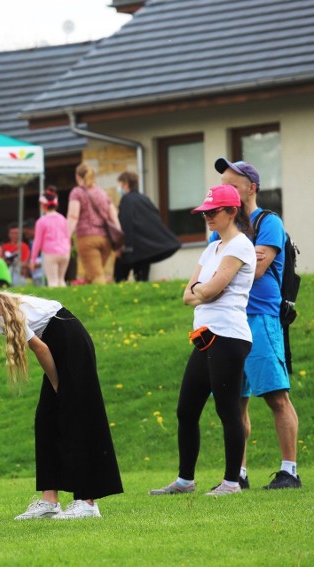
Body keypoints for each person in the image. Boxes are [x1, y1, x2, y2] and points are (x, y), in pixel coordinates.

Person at [0, 265, 122, 520]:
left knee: (76, 418)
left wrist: (58, 385)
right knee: (46, 420)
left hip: (68, 341)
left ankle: (87, 502)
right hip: (58, 343)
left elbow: (40, 348)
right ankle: (49, 501)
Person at [150, 184, 255, 497]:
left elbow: (208, 290)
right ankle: (185, 481)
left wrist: (204, 290)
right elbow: (189, 294)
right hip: (206, 337)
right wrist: (204, 290)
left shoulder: (240, 246)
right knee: (186, 410)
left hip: (229, 336)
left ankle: (232, 483)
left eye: (213, 211)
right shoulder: (212, 249)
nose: (207, 216)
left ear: (232, 211)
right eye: (205, 212)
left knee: (228, 411)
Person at [214, 158, 301, 490]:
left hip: (261, 318)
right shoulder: (221, 229)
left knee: (276, 396)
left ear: (251, 188)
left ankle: (289, 471)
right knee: (235, 400)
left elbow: (257, 270)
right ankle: (239, 473)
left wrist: (228, 264)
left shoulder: (269, 222)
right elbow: (210, 271)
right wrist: (234, 262)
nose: (226, 190)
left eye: (232, 185)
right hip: (229, 322)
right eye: (222, 184)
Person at [114, 172, 180, 282]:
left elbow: (126, 223)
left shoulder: (126, 200)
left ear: (125, 184)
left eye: (120, 184)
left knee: (119, 277)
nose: (119, 188)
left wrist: (124, 246)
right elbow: (155, 218)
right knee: (142, 279)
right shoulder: (145, 199)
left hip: (132, 247)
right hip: (146, 249)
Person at [67, 163, 121, 284]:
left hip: (87, 239)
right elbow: (113, 215)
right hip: (106, 239)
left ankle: (107, 300)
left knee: (97, 276)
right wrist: (118, 236)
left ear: (77, 176)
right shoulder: (102, 192)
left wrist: (66, 236)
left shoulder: (77, 192)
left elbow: (73, 215)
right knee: (92, 274)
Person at [30, 188, 70, 287]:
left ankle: (55, 301)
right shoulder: (62, 218)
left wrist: (33, 259)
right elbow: (67, 236)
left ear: (43, 205)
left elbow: (37, 241)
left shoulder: (41, 221)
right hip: (65, 252)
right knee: (61, 280)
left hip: (50, 253)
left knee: (53, 281)